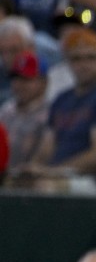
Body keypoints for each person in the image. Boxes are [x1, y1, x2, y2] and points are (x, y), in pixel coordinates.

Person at [20, 26, 96, 192]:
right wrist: (32, 169)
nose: (84, 65)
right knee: (16, 184)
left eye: (91, 58)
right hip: (58, 174)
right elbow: (47, 147)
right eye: (77, 59)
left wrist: (53, 172)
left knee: (46, 186)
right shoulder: (62, 99)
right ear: (67, 61)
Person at [0, 49, 50, 179]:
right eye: (16, 78)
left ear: (44, 83)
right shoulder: (6, 110)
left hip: (31, 182)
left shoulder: (50, 112)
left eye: (27, 79)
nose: (19, 85)